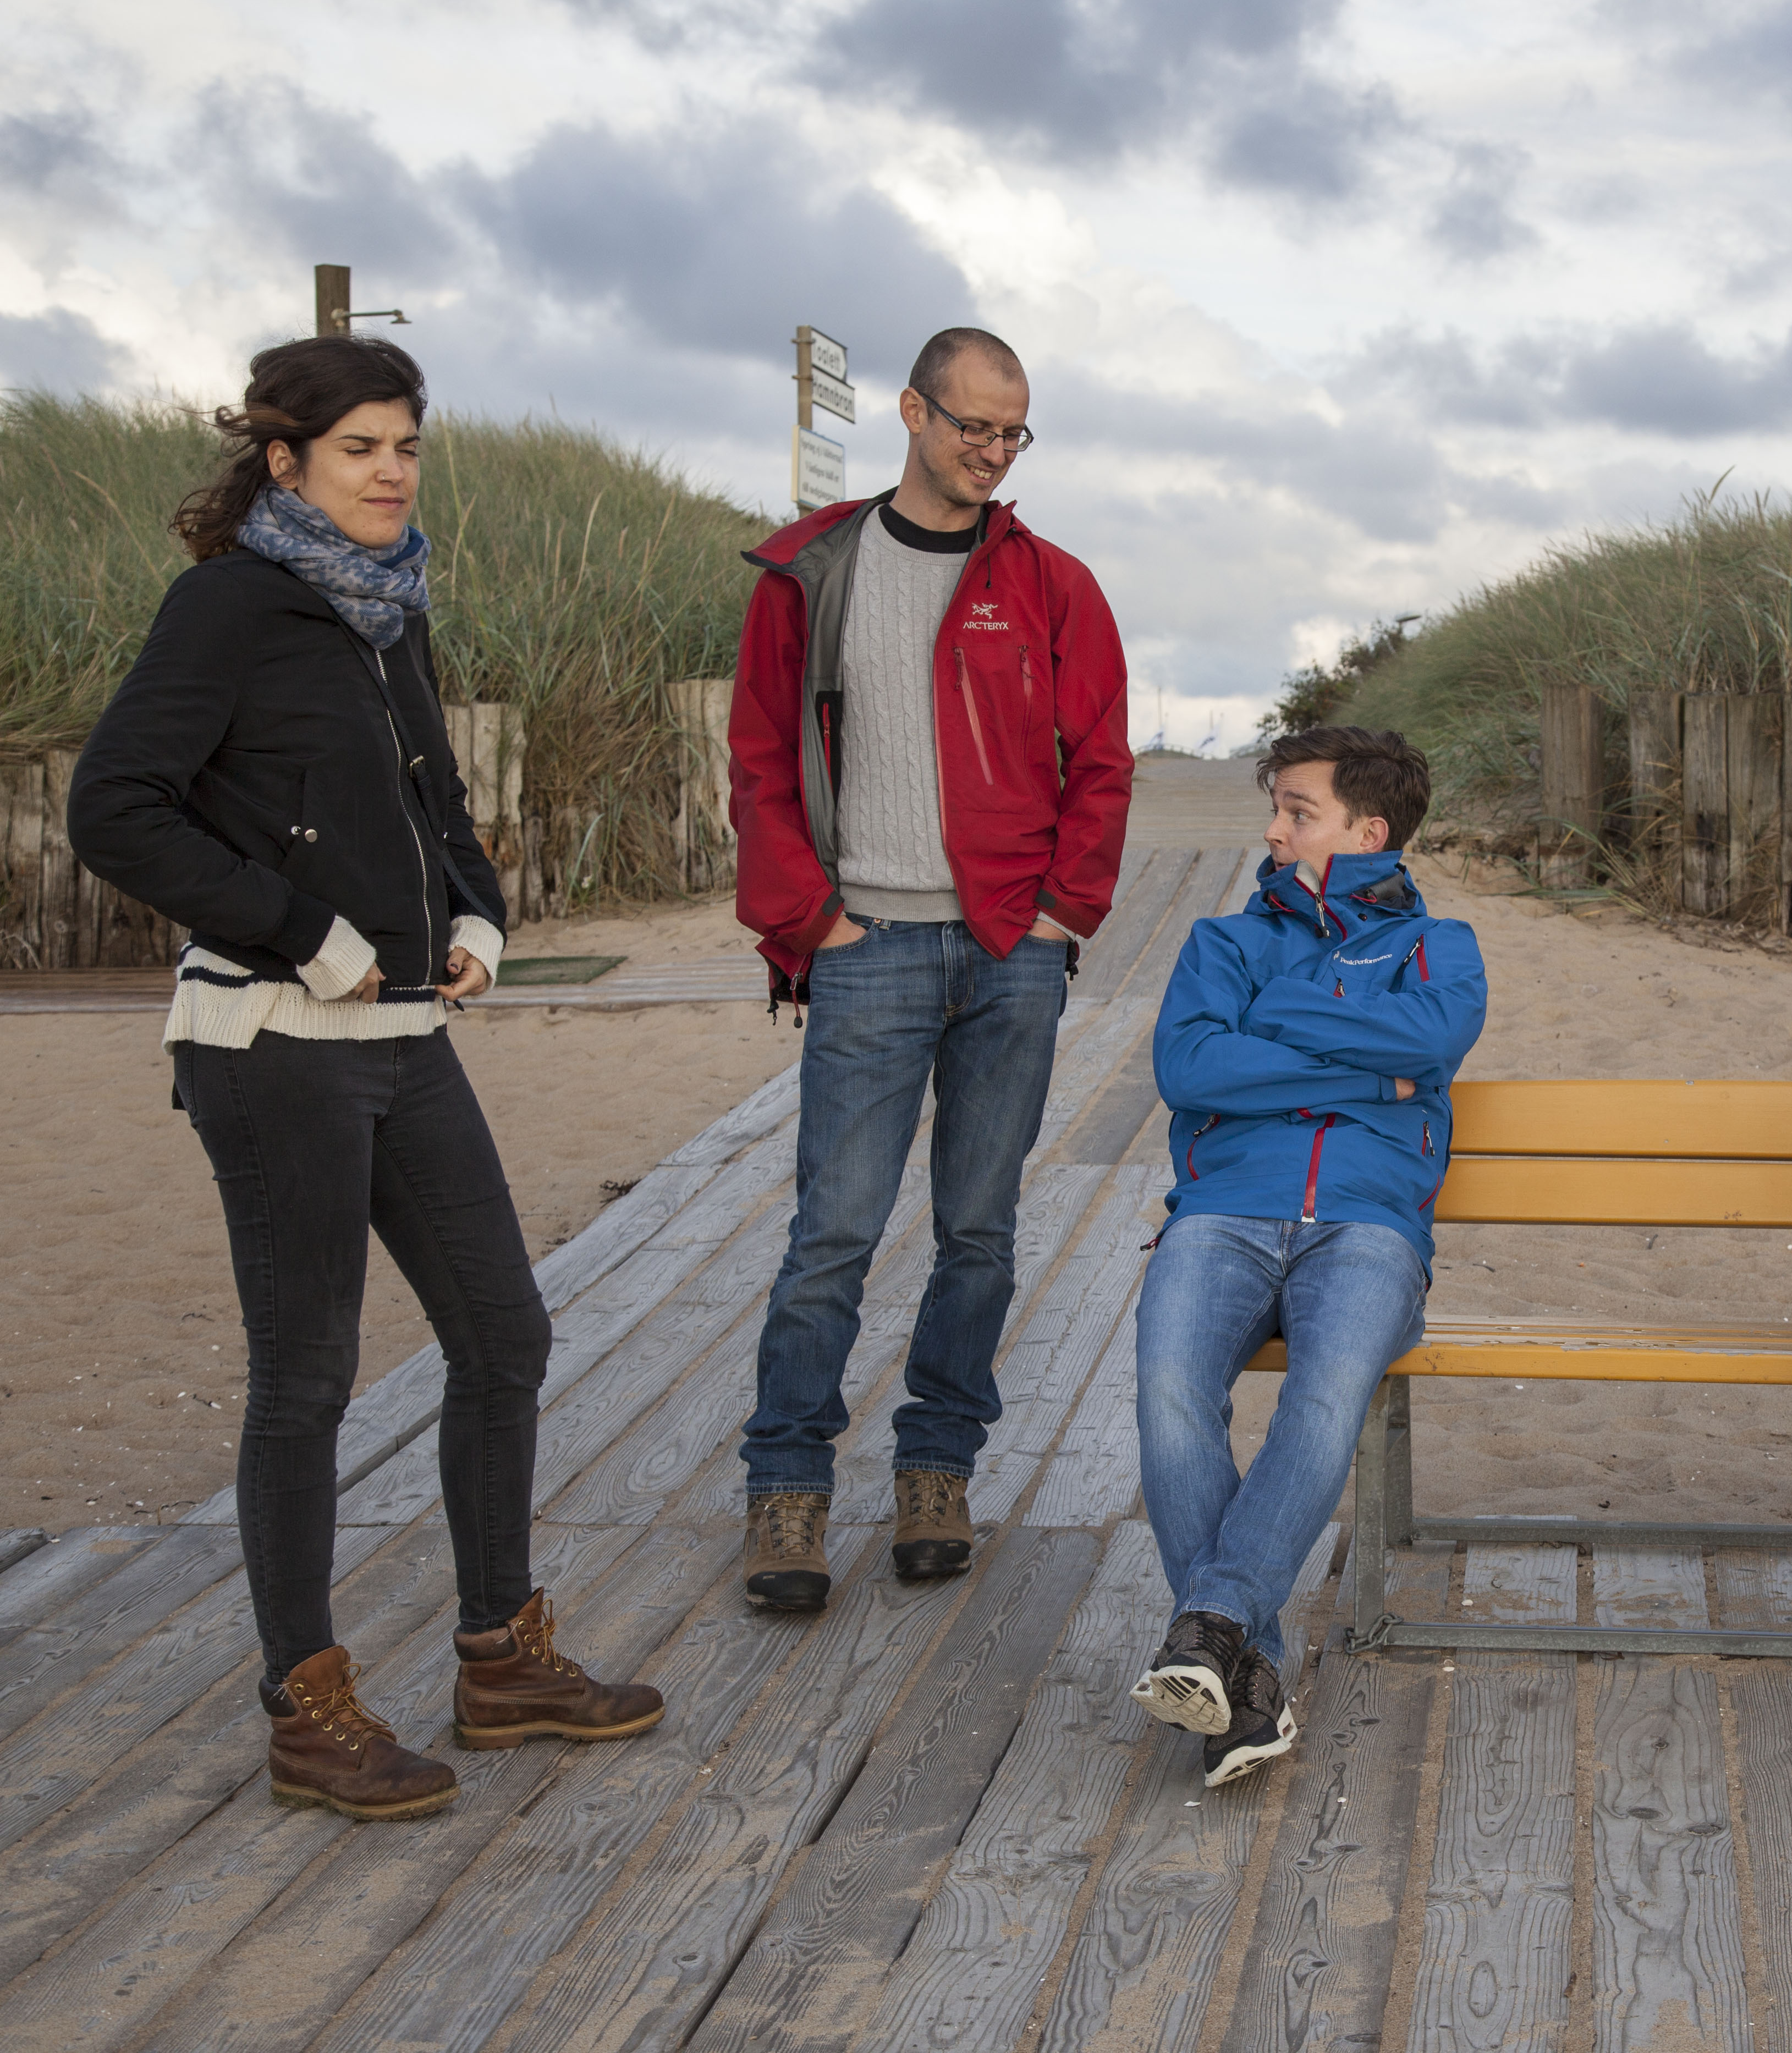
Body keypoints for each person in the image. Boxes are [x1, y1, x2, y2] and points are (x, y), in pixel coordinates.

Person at [67, 336, 661, 1821]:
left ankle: (500, 1655)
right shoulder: (228, 609)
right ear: (286, 462)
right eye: (361, 449)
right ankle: (305, 1711)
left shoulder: (390, 609)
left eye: (407, 445)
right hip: (269, 1047)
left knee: (504, 1335)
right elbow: (116, 809)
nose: (393, 472)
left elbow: (437, 804)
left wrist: (473, 916)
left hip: (403, 1036)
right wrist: (300, 931)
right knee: (309, 1379)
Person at [728, 327, 1133, 1611]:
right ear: (912, 412)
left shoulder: (1054, 584)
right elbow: (759, 766)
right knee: (833, 1234)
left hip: (1010, 954)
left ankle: (935, 1471)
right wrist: (810, 922)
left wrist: (1065, 913)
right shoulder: (812, 573)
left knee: (980, 1233)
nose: (995, 452)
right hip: (867, 950)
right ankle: (787, 1491)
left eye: (1015, 432)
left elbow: (1104, 759)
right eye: (974, 426)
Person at [1128, 726, 1486, 1788]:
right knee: (1167, 1392)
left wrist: (1283, 1032)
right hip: (1226, 1211)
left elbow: (1430, 1042)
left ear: (1368, 832)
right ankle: (1252, 1669)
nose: (1273, 830)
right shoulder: (1224, 944)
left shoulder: (1442, 946)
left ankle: (1213, 1626)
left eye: (1298, 811)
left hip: (1371, 1227)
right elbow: (1192, 1067)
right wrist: (1366, 1070)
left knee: (1325, 1400)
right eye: (1276, 809)